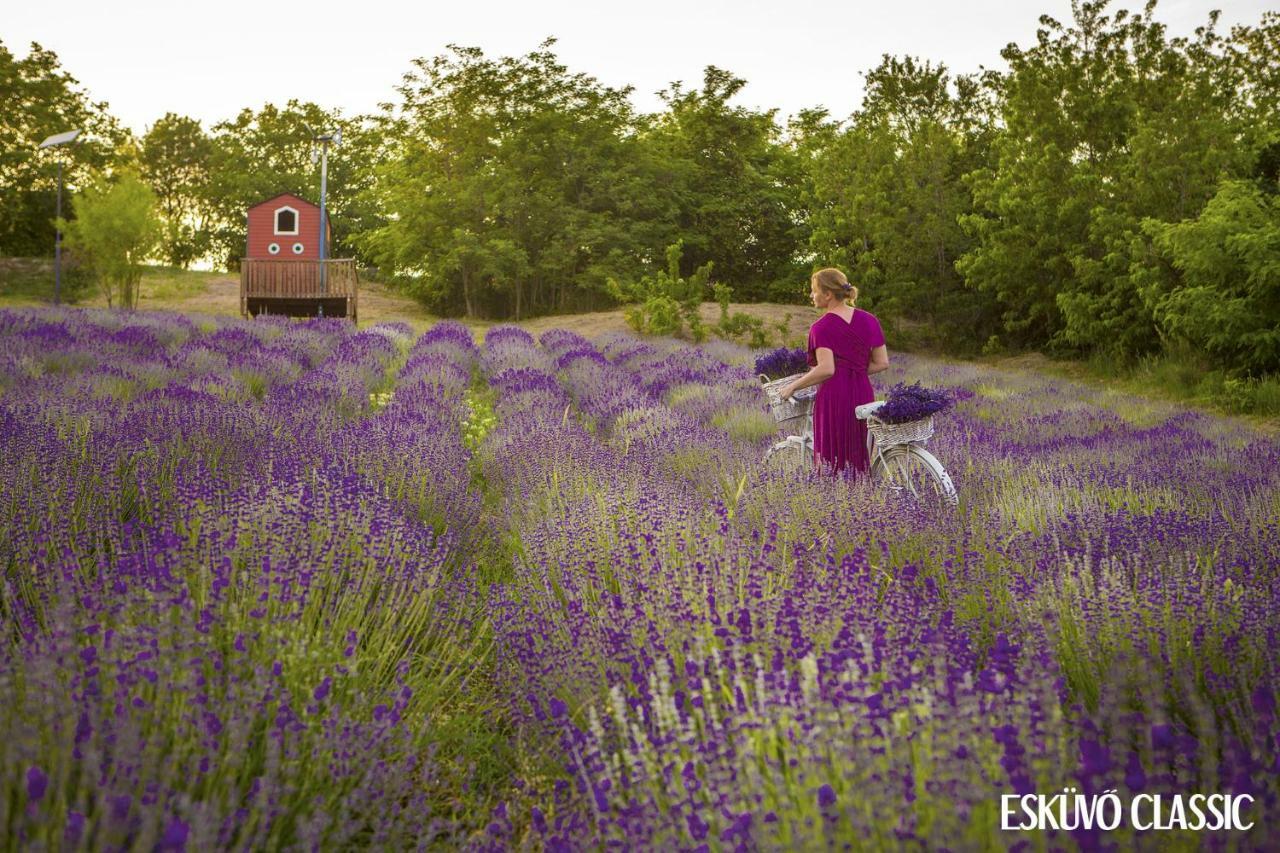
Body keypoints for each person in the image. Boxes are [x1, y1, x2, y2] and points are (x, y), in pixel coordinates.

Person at [780, 268, 889, 475]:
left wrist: (792, 386)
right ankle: (860, 495)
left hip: (834, 397)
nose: (812, 296)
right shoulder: (870, 320)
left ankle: (835, 498)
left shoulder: (820, 327)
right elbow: (882, 362)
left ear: (828, 294)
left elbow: (826, 369)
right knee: (859, 452)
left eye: (814, 291)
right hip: (862, 392)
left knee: (833, 458)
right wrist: (854, 371)